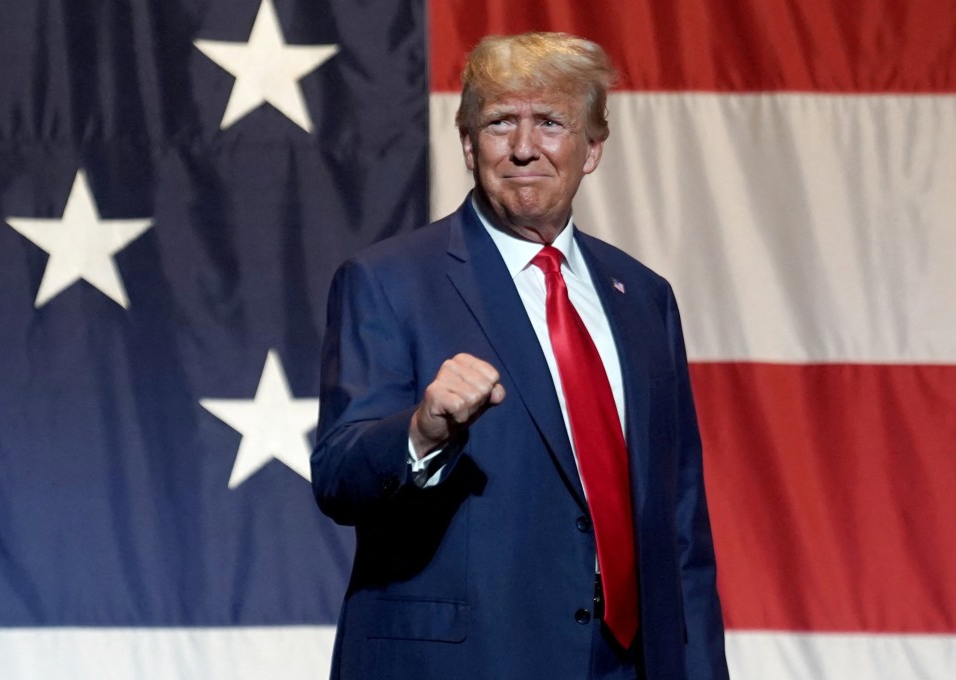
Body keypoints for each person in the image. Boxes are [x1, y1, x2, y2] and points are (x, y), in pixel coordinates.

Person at [311, 31, 729, 680]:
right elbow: (338, 475)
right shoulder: (389, 281)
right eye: (501, 121)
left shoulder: (643, 297)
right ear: (469, 143)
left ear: (592, 149)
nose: (525, 147)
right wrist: (422, 431)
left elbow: (679, 521)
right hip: (469, 661)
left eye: (551, 123)